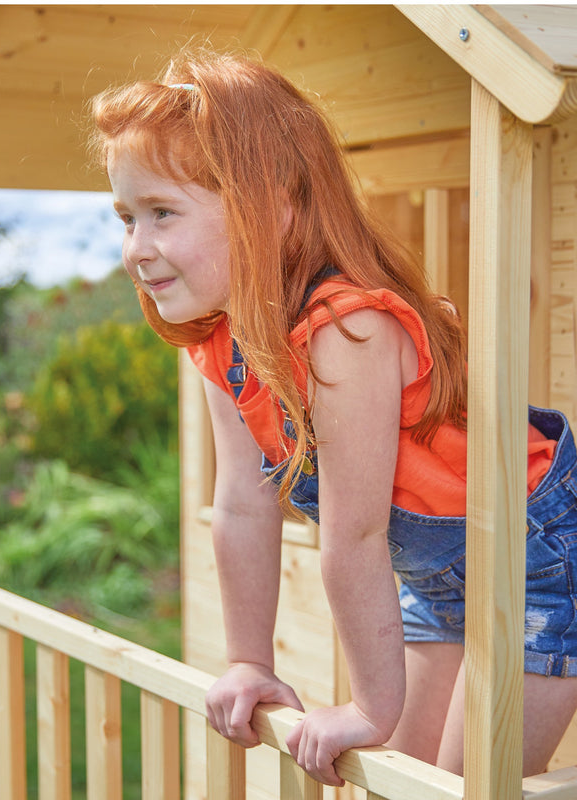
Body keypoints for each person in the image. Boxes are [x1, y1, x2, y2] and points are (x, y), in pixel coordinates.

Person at [89, 48, 577, 786]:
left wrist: (370, 707)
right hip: (439, 570)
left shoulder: (345, 332)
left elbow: (356, 531)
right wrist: (250, 662)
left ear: (273, 208)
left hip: (535, 557)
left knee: (465, 784)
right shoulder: (221, 343)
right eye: (127, 216)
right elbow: (243, 508)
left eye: (162, 213)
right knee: (401, 780)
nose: (137, 250)